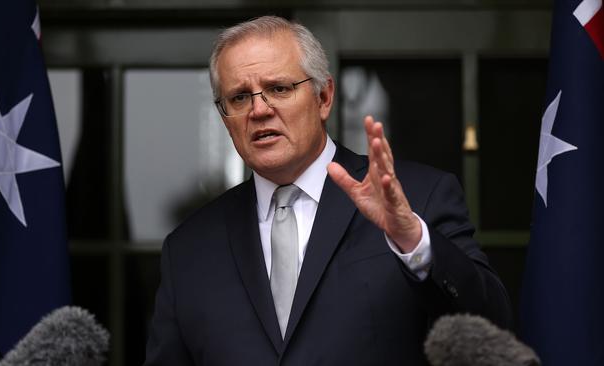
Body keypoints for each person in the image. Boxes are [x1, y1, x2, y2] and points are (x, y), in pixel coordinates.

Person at [144, 15, 511, 366]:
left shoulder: (420, 197)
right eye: (239, 97)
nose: (259, 110)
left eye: (278, 88)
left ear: (323, 98)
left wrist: (413, 240)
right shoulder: (189, 250)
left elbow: (492, 327)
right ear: (225, 118)